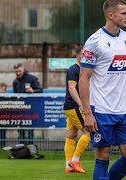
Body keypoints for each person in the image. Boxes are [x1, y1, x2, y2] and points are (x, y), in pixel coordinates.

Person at [79, 0, 126, 179]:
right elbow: (83, 79)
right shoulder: (94, 42)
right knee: (103, 155)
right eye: (123, 13)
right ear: (111, 15)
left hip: (123, 110)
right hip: (102, 110)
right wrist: (88, 113)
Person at [63, 47, 90, 173]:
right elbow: (71, 88)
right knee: (89, 133)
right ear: (78, 56)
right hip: (74, 106)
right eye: (82, 55)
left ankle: (69, 166)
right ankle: (74, 161)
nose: (85, 57)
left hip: (70, 107)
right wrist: (81, 104)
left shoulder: (84, 70)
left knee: (71, 135)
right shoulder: (74, 69)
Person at [13, 63, 42, 144]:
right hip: (20, 109)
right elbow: (15, 96)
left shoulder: (31, 78)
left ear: (23, 69)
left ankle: (30, 146)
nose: (18, 73)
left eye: (19, 71)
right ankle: (21, 147)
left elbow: (40, 90)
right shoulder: (15, 82)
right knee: (20, 128)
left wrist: (33, 91)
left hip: (31, 109)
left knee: (30, 129)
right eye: (16, 71)